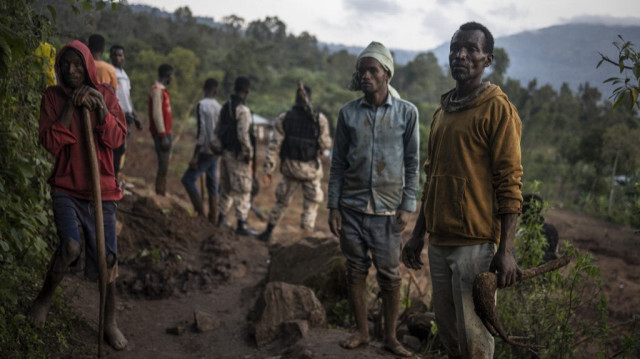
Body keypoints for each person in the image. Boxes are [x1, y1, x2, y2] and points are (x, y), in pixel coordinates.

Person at [402, 22, 524, 359]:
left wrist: (506, 248)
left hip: (475, 245)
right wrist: (417, 235)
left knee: (475, 341)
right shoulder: (443, 112)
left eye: (471, 49)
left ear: (487, 59)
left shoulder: (497, 108)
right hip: (440, 243)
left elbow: (510, 180)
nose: (461, 55)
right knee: (451, 335)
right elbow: (433, 179)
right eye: (456, 48)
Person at [27, 40, 128, 350]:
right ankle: (43, 300)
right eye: (65, 64)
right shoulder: (53, 97)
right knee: (70, 246)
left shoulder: (108, 96)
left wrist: (99, 109)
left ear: (87, 66)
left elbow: (118, 138)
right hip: (66, 187)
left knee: (106, 258)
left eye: (76, 64)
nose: (71, 69)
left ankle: (109, 321)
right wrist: (70, 106)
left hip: (103, 190)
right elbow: (49, 142)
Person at [327, 41, 419, 357]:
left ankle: (391, 338)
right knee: (354, 270)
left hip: (388, 212)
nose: (366, 76)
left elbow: (412, 162)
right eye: (362, 70)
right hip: (351, 209)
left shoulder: (407, 113)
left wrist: (409, 205)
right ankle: (362, 332)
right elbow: (338, 163)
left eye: (373, 70)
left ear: (387, 74)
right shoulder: (348, 114)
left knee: (390, 277)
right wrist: (333, 205)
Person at [258, 84, 332, 241]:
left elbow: (274, 146)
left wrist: (268, 169)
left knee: (282, 202)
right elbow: (325, 144)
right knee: (311, 204)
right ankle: (306, 235)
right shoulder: (319, 119)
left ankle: (268, 232)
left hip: (290, 168)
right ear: (310, 99)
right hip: (310, 170)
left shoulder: (284, 118)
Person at [215, 76, 259, 236]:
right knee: (242, 189)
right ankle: (241, 224)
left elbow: (217, 130)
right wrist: (249, 154)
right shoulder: (243, 111)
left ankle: (221, 218)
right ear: (246, 92)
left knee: (226, 188)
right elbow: (243, 136)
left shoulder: (225, 107)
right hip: (238, 156)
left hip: (225, 153)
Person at [181, 78, 222, 221]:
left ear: (204, 88)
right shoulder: (219, 107)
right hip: (216, 150)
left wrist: (195, 155)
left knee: (188, 179)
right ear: (215, 91)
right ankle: (213, 216)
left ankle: (201, 213)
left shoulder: (201, 105)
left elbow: (202, 132)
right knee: (212, 183)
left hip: (205, 150)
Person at [110, 44, 142, 178]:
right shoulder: (111, 72)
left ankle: (116, 174)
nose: (118, 58)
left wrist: (135, 115)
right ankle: (112, 176)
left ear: (124, 57)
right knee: (116, 147)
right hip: (117, 115)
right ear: (111, 56)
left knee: (122, 148)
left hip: (127, 115)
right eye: (115, 55)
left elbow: (126, 97)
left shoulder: (124, 75)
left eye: (120, 55)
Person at [148, 64, 174, 196]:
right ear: (167, 76)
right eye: (171, 76)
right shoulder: (157, 90)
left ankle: (161, 190)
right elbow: (157, 114)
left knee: (165, 163)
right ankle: (159, 192)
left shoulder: (162, 90)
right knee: (163, 163)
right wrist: (163, 135)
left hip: (166, 133)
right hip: (161, 134)